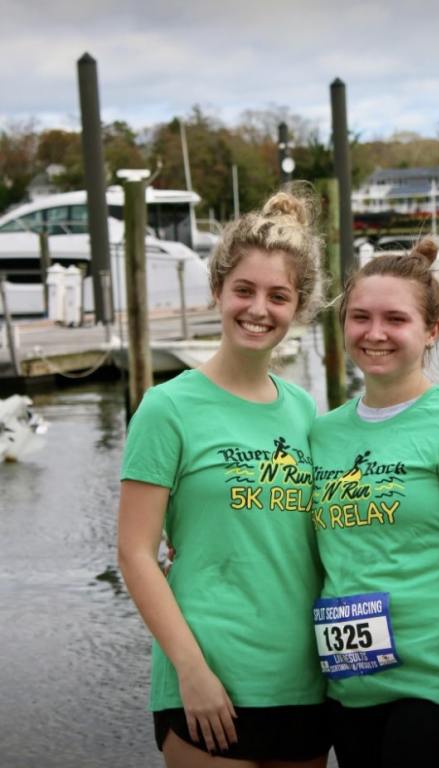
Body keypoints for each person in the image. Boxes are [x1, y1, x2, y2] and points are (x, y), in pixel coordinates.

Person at [117, 188, 331, 768]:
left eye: (278, 296)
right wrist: (191, 671)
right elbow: (135, 553)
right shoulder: (166, 407)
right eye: (244, 289)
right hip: (208, 682)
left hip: (304, 682)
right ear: (218, 291)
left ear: (298, 307)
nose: (258, 308)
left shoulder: (305, 411)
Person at [309, 239, 439, 768]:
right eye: (359, 317)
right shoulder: (323, 433)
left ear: (431, 331)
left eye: (394, 319)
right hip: (351, 688)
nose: (374, 333)